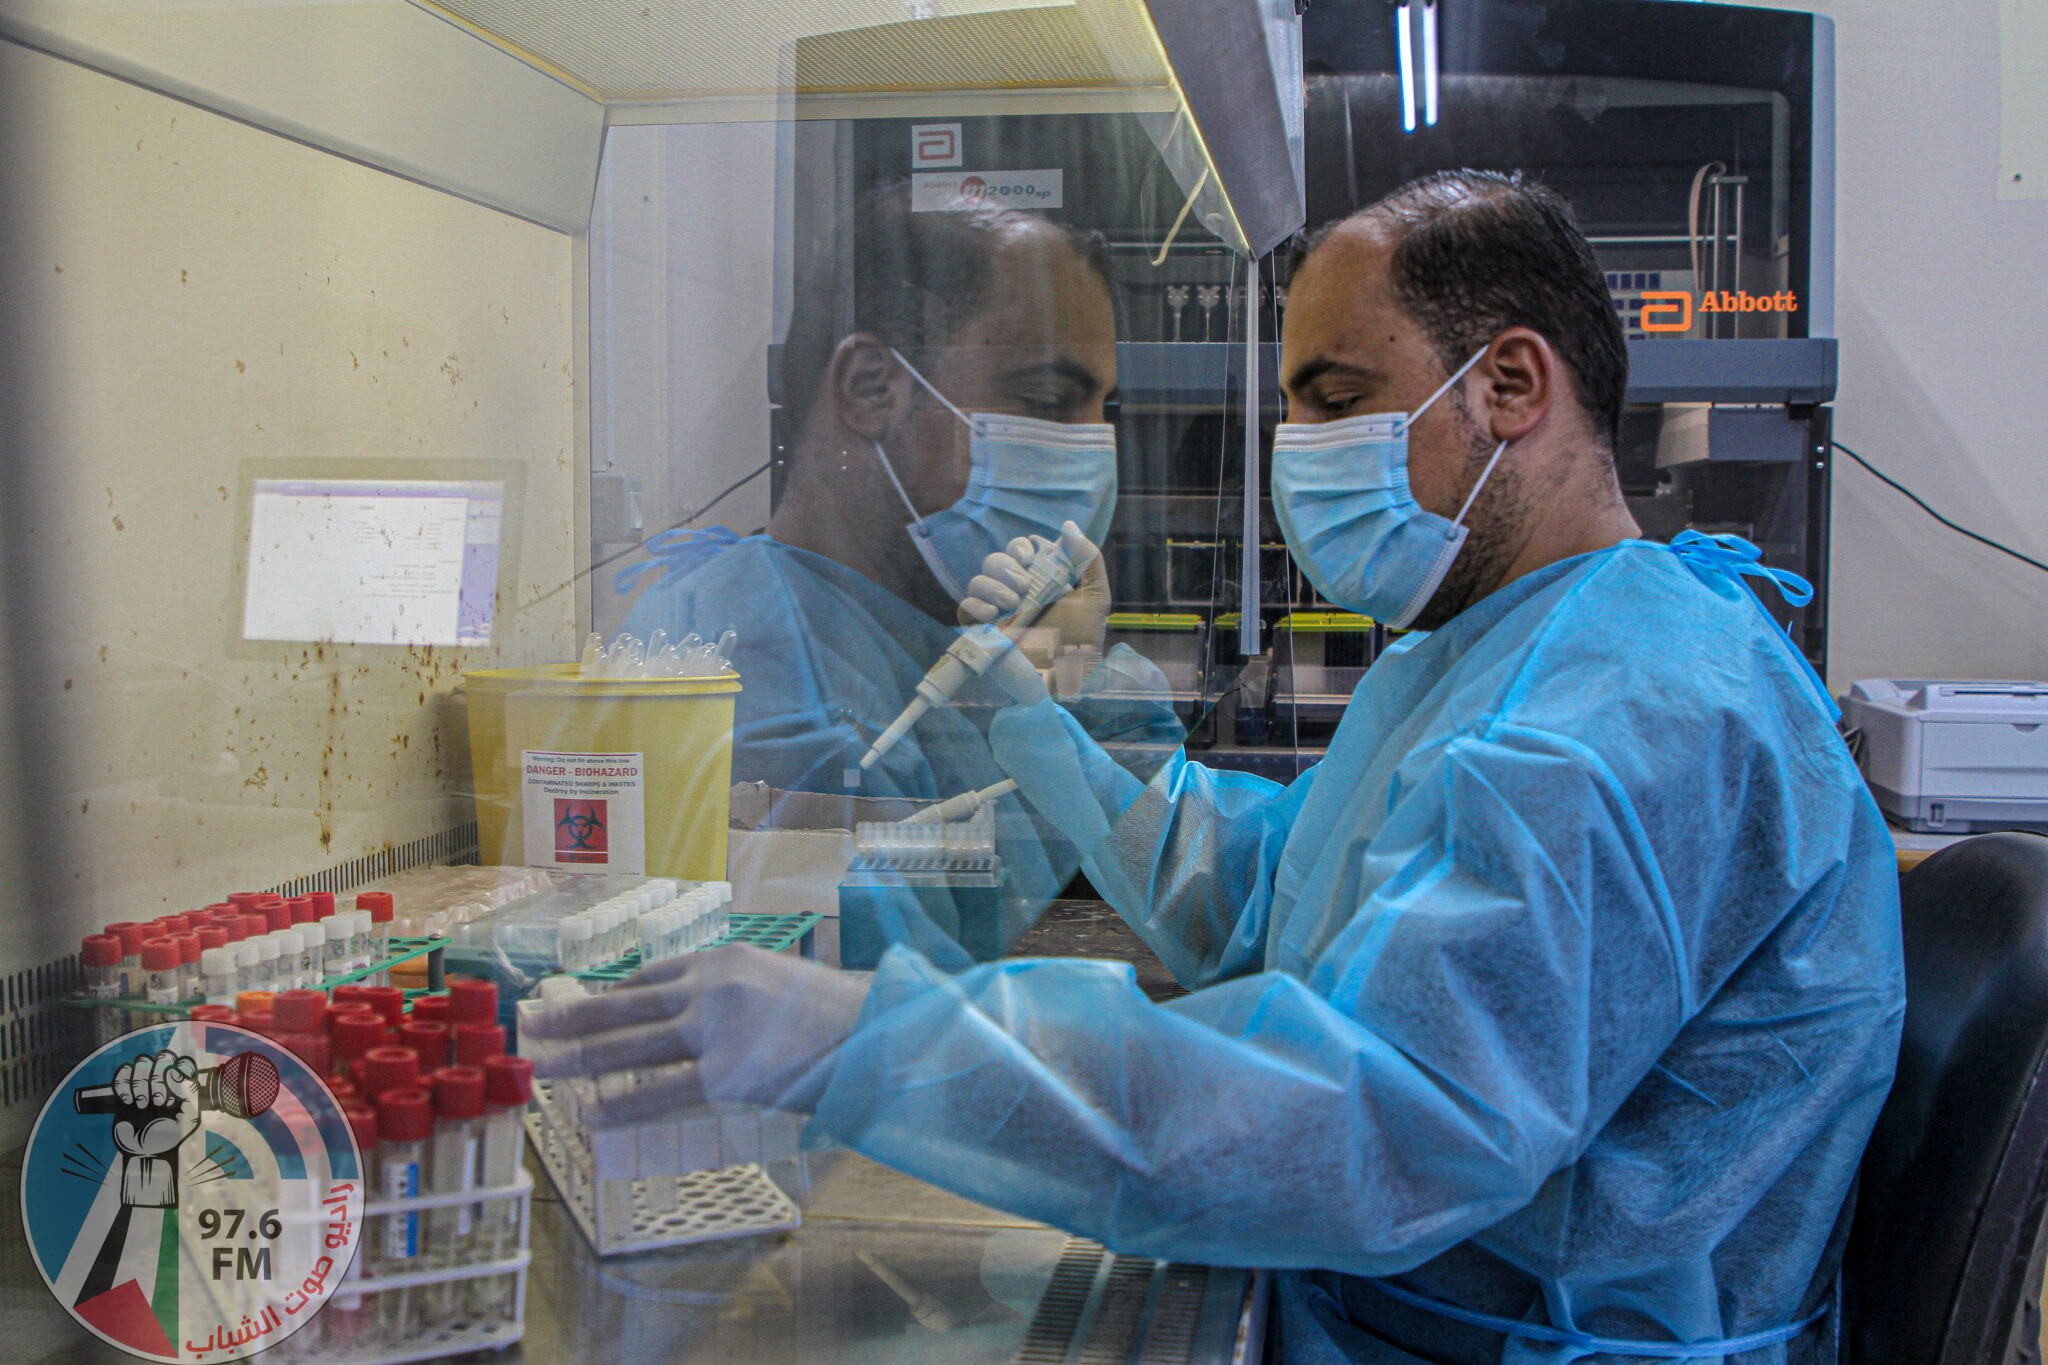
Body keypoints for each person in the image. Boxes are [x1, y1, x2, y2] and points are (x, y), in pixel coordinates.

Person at [533, 171, 1904, 1362]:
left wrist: (876, 1040)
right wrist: (1045, 707)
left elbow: (1378, 1114)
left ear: (1510, 385)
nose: (1298, 454)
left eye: (1339, 400)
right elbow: (1272, 898)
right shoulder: (1502, 654)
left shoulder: (1628, 711)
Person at [617, 184, 1144, 963]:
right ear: (871, 389)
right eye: (1044, 399)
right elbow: (888, 1022)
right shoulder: (772, 672)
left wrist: (1060, 682)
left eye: (1105, 412)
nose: (1090, 453)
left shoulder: (903, 633)